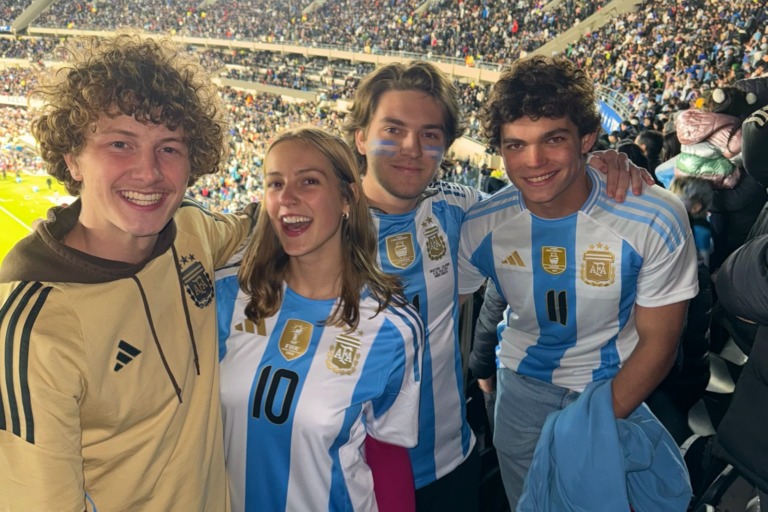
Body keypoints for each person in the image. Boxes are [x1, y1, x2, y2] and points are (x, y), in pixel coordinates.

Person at [342, 60, 653, 511]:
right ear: (360, 136)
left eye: (430, 134)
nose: (411, 147)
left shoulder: (459, 211)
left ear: (445, 147)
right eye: (392, 128)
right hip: (350, 470)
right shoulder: (318, 224)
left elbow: (542, 202)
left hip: (449, 460)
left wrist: (602, 164)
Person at [0, 32, 255, 511]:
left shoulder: (195, 232)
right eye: (120, 143)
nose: (148, 172)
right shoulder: (32, 326)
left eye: (170, 148)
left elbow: (261, 225)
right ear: (72, 158)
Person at [458, 55, 699, 509]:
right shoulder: (481, 225)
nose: (534, 161)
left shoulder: (654, 216)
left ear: (586, 138)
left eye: (553, 139)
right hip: (520, 396)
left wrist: (590, 425)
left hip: (616, 387)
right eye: (515, 145)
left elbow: (660, 341)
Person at [214, 127, 424, 512]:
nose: (286, 198)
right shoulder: (227, 297)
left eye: (308, 181)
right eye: (274, 183)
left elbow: (387, 454)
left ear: (348, 197)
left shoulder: (393, 327)